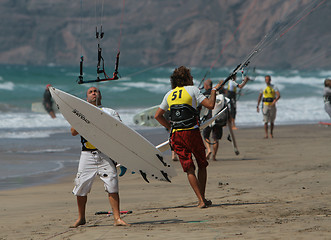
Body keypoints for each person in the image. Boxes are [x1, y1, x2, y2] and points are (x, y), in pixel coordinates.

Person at [154, 66, 223, 208]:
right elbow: (210, 105)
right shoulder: (193, 90)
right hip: (192, 132)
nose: (192, 79)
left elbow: (157, 116)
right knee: (202, 164)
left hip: (176, 135)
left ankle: (200, 200)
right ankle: (202, 199)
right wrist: (214, 90)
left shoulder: (169, 94)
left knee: (189, 168)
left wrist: (169, 127)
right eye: (190, 76)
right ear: (186, 78)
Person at [70, 86, 129, 227]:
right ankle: (81, 218)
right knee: (81, 187)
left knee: (112, 185)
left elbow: (120, 131)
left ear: (100, 96)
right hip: (87, 154)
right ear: (86, 98)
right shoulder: (81, 113)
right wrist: (85, 117)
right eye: (90, 92)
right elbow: (73, 132)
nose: (93, 93)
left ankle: (117, 218)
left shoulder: (110, 112)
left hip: (105, 153)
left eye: (96, 91)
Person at [201, 79, 225, 161]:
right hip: (217, 118)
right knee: (216, 138)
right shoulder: (218, 93)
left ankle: (209, 149)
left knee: (205, 136)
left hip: (208, 118)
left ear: (207, 86)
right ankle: (214, 156)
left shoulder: (204, 95)